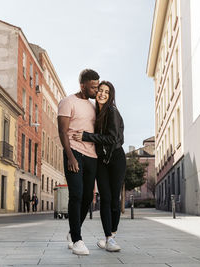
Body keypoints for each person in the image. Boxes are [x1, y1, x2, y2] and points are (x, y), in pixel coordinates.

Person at [73, 81, 125, 252]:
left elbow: (113, 139)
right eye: (100, 91)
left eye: (106, 92)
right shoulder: (97, 113)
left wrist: (87, 136)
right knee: (106, 198)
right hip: (101, 160)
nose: (102, 94)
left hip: (116, 159)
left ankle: (112, 235)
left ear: (111, 96)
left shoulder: (112, 112)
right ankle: (109, 238)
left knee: (114, 201)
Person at [57, 69, 99, 255]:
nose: (96, 90)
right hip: (74, 152)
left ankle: (73, 231)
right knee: (76, 194)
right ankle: (77, 239)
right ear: (82, 85)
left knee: (88, 198)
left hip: (92, 156)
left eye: (97, 86)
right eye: (93, 87)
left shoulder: (94, 106)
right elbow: (62, 131)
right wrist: (70, 156)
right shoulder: (67, 102)